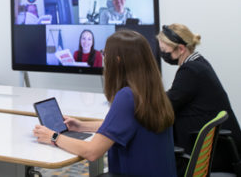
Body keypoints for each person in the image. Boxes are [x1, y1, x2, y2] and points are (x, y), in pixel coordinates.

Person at [33, 30, 176, 176]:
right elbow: (125, 125)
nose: (103, 58)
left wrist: (53, 136)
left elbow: (92, 152)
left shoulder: (127, 96)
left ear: (117, 60)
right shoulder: (152, 91)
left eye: (105, 53)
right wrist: (81, 126)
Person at [157, 24, 241, 172]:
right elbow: (176, 96)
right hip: (220, 151)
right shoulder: (198, 63)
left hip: (211, 156)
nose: (163, 55)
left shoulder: (190, 71)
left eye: (165, 51)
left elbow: (166, 105)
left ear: (181, 49)